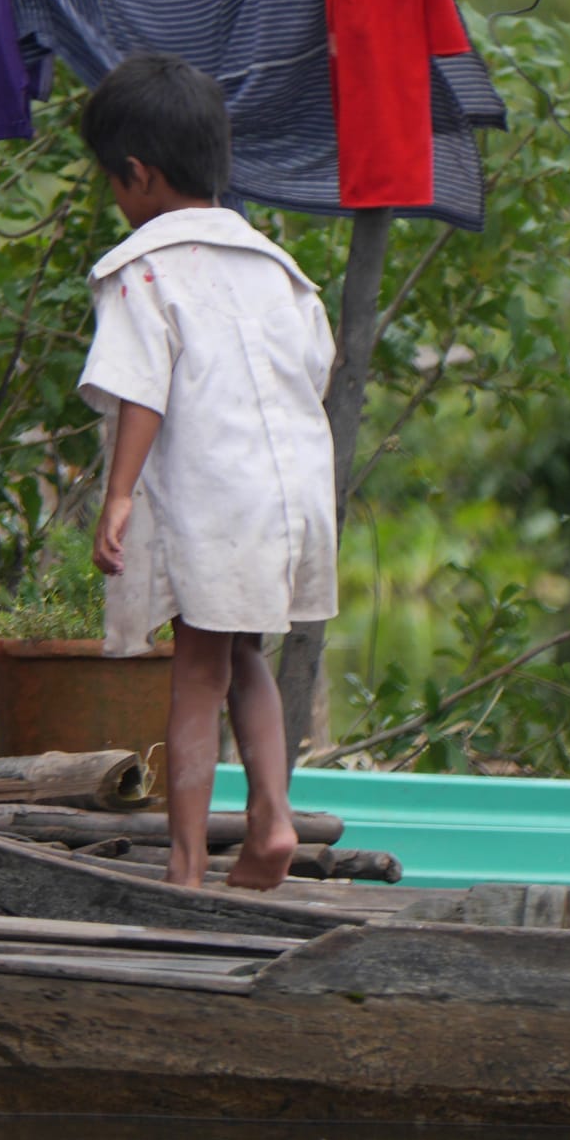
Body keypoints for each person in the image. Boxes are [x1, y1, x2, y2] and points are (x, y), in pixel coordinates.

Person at [78, 53, 339, 891]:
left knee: (196, 665)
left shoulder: (145, 271)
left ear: (139, 174)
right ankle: (273, 816)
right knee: (241, 651)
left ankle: (184, 868)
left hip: (219, 498)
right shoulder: (276, 269)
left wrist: (118, 494)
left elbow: (137, 387)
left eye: (112, 184)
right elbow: (315, 373)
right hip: (292, 493)